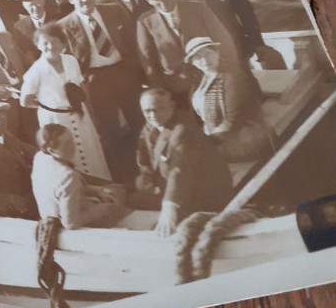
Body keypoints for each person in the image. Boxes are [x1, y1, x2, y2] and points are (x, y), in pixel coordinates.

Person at [59, 0, 144, 181]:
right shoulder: (64, 26)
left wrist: (137, 71)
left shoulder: (113, 10)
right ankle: (126, 175)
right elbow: (67, 61)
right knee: (109, 129)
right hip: (94, 80)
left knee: (138, 119)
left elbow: (133, 42)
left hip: (123, 71)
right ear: (71, 0)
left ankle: (149, 164)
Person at [130, 88, 233, 236]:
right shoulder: (150, 126)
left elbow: (179, 170)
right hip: (176, 190)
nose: (153, 115)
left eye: (159, 109)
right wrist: (148, 182)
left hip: (203, 196)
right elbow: (144, 159)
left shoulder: (182, 131)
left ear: (172, 106)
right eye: (147, 111)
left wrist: (169, 207)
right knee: (131, 198)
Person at [20, 23, 111, 179]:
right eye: (45, 43)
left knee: (90, 151)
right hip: (55, 121)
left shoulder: (70, 61)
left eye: (55, 41)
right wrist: (48, 107)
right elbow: (25, 100)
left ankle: (102, 184)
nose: (51, 46)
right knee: (68, 155)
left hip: (79, 115)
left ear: (62, 42)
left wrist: (91, 114)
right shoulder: (36, 71)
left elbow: (81, 88)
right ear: (38, 45)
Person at [135, 0, 239, 96]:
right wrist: (160, 88)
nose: (162, 2)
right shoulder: (145, 22)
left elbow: (222, 38)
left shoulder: (197, 8)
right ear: (149, 2)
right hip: (176, 84)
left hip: (210, 74)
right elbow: (147, 59)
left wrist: (231, 69)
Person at [185, 36, 272, 163]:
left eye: (208, 53)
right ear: (192, 62)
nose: (204, 60)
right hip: (217, 137)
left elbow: (232, 121)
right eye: (197, 57)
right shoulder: (201, 81)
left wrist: (207, 144)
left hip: (242, 140)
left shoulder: (233, 77)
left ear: (217, 53)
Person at [31, 123, 123, 231]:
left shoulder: (40, 157)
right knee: (119, 198)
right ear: (52, 150)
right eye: (67, 144)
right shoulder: (68, 176)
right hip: (65, 228)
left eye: (72, 140)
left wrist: (96, 191)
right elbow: (70, 223)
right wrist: (99, 211)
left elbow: (59, 190)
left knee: (115, 193)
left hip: (49, 215)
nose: (73, 146)